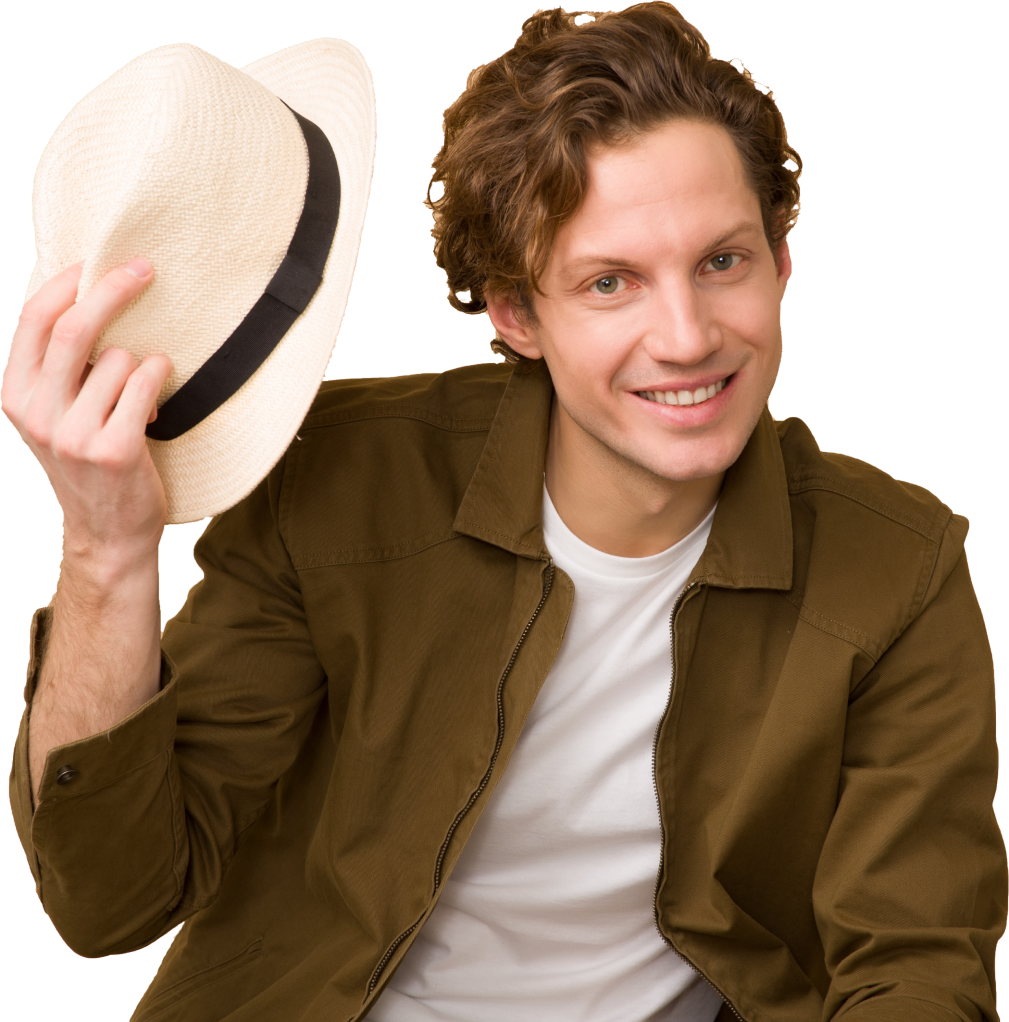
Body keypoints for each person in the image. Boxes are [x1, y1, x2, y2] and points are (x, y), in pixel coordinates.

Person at [4, 5, 1002, 1021]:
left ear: (782, 262)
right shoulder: (334, 481)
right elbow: (111, 898)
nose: (687, 336)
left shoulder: (898, 566)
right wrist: (106, 549)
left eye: (721, 261)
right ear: (515, 313)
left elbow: (916, 963)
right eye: (610, 282)